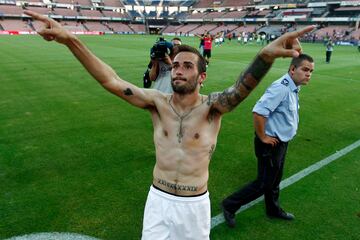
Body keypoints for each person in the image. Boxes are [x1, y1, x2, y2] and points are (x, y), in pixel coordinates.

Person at [24, 10, 314, 240]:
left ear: (201, 77)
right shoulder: (157, 102)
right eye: (176, 65)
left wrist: (265, 55)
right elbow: (110, 80)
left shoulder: (213, 108)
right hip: (158, 201)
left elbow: (242, 88)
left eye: (188, 66)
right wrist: (70, 39)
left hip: (194, 205)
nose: (179, 69)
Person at [221, 53, 315, 228]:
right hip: (270, 144)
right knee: (263, 183)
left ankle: (273, 209)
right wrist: (263, 136)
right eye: (305, 69)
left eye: (311, 71)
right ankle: (229, 204)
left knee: (275, 179)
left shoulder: (293, 86)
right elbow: (259, 112)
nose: (309, 74)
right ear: (292, 69)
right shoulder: (282, 87)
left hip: (281, 142)